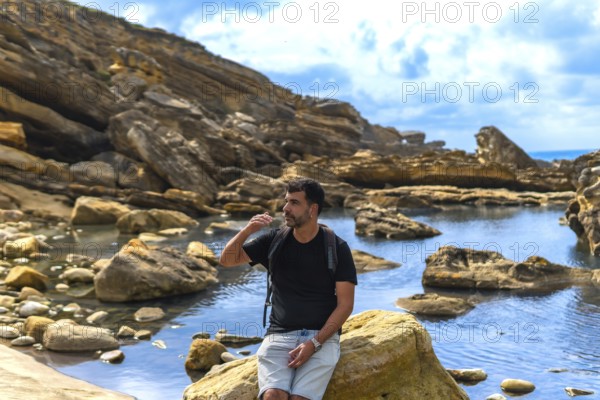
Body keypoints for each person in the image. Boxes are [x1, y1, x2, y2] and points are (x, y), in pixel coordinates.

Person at [219, 178, 357, 400]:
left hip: (321, 337)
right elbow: (226, 260)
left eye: (294, 202)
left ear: (312, 209)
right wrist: (248, 230)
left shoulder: (337, 248)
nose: (285, 208)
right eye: (286, 201)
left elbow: (345, 305)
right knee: (273, 395)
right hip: (279, 334)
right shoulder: (274, 240)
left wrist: (314, 343)